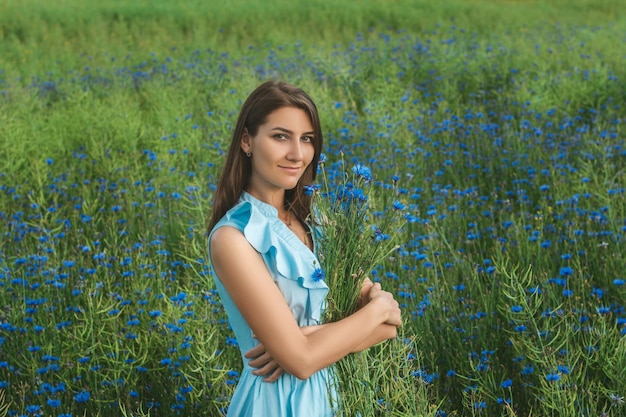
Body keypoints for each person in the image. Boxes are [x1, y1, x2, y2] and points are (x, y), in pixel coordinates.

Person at [207, 80, 402, 417]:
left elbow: (391, 325)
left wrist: (309, 337)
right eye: (280, 136)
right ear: (247, 140)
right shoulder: (233, 238)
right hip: (273, 405)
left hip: (337, 398)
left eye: (307, 139)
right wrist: (377, 307)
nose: (297, 154)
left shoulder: (323, 225)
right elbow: (301, 361)